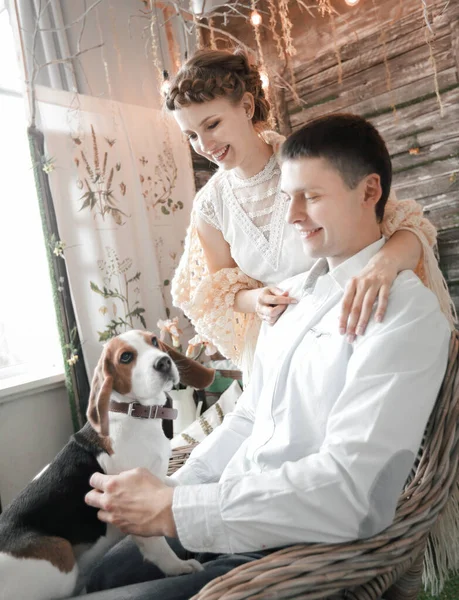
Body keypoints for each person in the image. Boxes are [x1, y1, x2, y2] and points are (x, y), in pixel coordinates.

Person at [84, 114, 451, 600]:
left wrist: (177, 509)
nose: (293, 215)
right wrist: (172, 488)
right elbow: (249, 417)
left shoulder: (406, 313)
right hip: (224, 508)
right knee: (90, 576)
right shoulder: (289, 299)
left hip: (293, 546)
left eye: (312, 197)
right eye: (287, 198)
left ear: (368, 192)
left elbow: (350, 492)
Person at [166, 49, 455, 379]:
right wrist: (255, 299)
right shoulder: (209, 206)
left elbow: (409, 228)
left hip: (354, 323)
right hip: (283, 346)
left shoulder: (310, 161)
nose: (204, 144)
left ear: (246, 107)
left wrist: (384, 265)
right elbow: (221, 291)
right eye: (191, 136)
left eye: (212, 124)